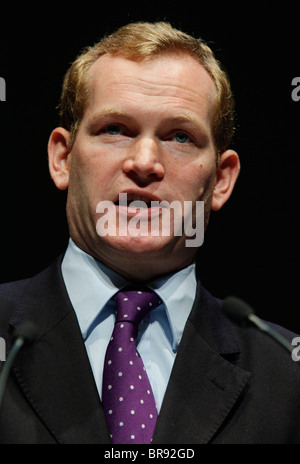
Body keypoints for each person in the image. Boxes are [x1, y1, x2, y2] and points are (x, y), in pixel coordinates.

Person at [0, 21, 299, 444]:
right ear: (62, 158)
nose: (144, 162)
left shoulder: (288, 375)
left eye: (180, 136)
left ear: (221, 180)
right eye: (115, 130)